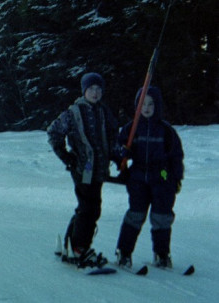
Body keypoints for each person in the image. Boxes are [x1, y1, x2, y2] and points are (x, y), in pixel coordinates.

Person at [47, 72, 120, 268]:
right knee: (90, 208)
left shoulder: (105, 112)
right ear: (84, 91)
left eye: (98, 89)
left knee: (87, 207)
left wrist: (118, 155)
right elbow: (53, 132)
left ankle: (71, 244)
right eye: (91, 89)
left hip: (99, 169)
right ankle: (80, 248)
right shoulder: (73, 112)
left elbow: (113, 137)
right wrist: (66, 157)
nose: (95, 93)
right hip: (82, 169)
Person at [115, 86, 184, 270]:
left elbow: (176, 156)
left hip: (161, 172)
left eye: (150, 104)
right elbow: (118, 149)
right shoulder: (131, 129)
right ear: (137, 105)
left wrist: (175, 177)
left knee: (161, 215)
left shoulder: (166, 130)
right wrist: (122, 152)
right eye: (142, 104)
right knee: (135, 214)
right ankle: (124, 252)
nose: (146, 108)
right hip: (138, 174)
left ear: (157, 106)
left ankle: (162, 254)